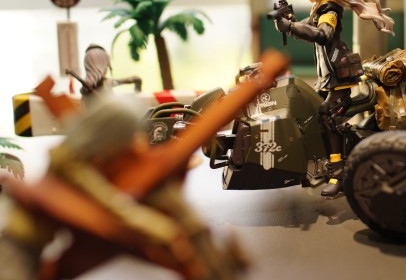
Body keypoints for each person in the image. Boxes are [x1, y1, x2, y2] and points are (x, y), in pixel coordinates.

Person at [0, 96, 245, 279]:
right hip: (16, 247)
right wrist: (165, 232)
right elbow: (115, 209)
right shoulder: (74, 168)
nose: (135, 147)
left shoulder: (75, 158)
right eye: (127, 141)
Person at [273, 0, 395, 197]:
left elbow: (322, 35)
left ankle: (337, 172)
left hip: (339, 77)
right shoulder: (318, 9)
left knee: (329, 117)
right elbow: (305, 28)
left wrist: (291, 26)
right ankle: (322, 161)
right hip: (328, 78)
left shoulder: (329, 9)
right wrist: (287, 23)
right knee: (314, 111)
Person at [77, 44, 142, 105]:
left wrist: (137, 93)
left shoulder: (106, 82)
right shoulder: (87, 88)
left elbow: (136, 79)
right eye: (106, 65)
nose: (107, 68)